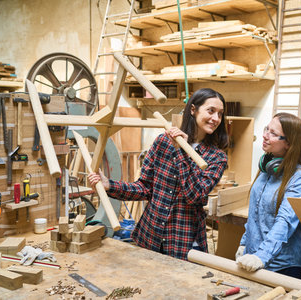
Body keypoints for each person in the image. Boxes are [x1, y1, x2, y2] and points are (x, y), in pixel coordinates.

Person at [88, 88, 228, 261]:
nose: (216, 119)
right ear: (193, 109)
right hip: (150, 237)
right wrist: (110, 185)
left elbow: (195, 195)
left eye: (220, 114)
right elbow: (145, 188)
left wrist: (181, 151)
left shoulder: (217, 157)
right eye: (211, 111)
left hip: (183, 242)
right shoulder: (163, 142)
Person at [235, 113, 301, 280]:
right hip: (256, 258)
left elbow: (285, 222)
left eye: (273, 133)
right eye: (266, 129)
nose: (264, 135)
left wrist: (261, 256)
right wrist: (244, 243)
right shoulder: (267, 168)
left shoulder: (300, 178)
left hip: (284, 265)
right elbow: (254, 214)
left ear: (289, 143)